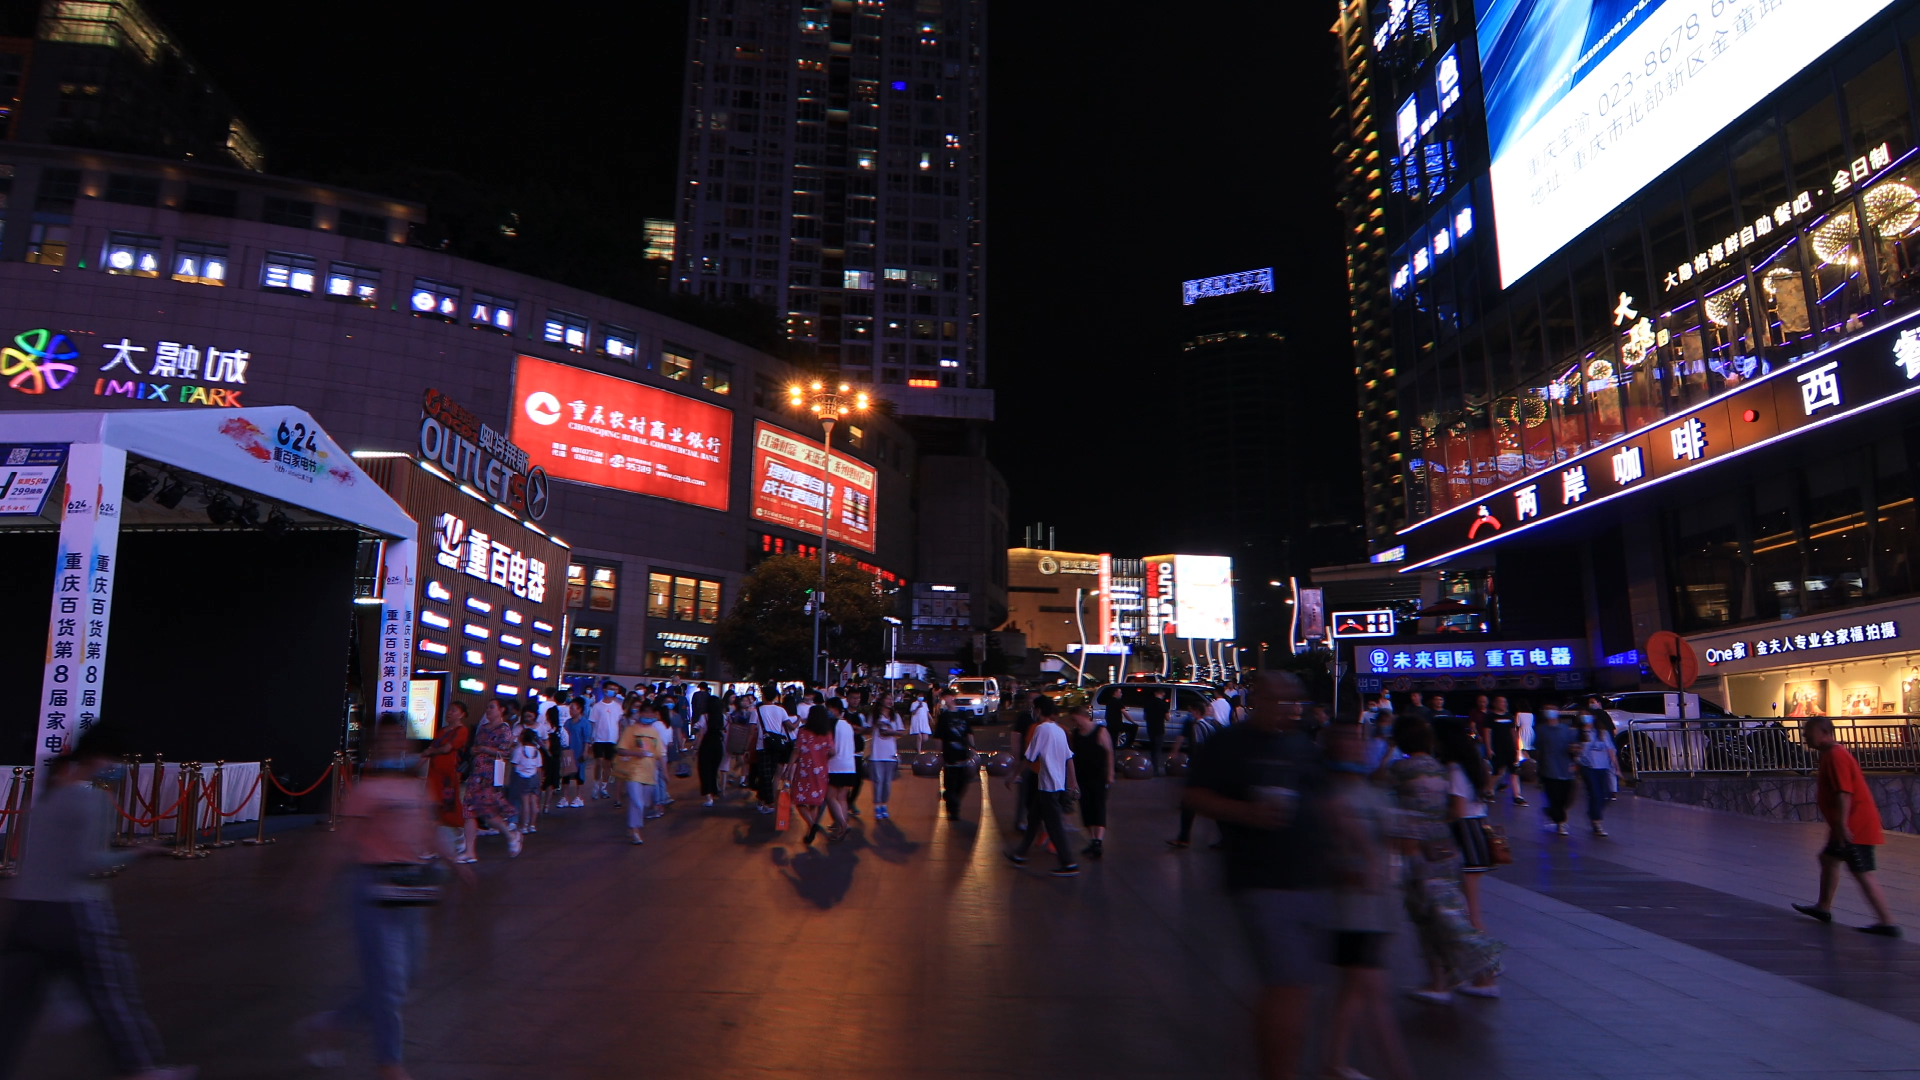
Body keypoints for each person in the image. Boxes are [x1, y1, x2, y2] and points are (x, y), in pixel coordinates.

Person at [0, 721, 197, 1080]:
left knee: (11, 1010)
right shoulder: (89, 800)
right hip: (73, 913)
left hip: (26, 912)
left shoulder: (45, 796)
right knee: (113, 995)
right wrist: (138, 852)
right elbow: (86, 864)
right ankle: (141, 1067)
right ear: (107, 757)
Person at [298, 715, 465, 1080]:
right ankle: (389, 1062)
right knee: (388, 983)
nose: (393, 746)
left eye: (398, 740)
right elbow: (341, 842)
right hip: (371, 890)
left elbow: (429, 833)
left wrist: (455, 863)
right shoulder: (366, 791)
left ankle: (333, 1023)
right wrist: (316, 888)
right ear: (376, 747)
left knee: (407, 976)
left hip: (409, 890)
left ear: (405, 745)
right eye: (386, 740)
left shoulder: (417, 789)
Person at [1183, 671, 1327, 1080]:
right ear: (1257, 700)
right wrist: (1248, 813)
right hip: (1262, 879)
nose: (1289, 709)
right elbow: (1193, 795)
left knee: (1293, 986)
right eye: (1279, 700)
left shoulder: (1303, 746)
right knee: (1289, 985)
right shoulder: (1229, 744)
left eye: (1294, 701)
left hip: (1309, 877)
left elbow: (1322, 800)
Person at [1320, 719, 1414, 1080]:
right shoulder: (1330, 797)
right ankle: (1399, 1072)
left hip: (1376, 910)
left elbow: (1398, 842)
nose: (1356, 745)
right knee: (1373, 996)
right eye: (1346, 739)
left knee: (1354, 992)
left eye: (1358, 739)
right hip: (1352, 912)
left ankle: (1333, 1062)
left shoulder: (1372, 792)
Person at [1388, 715, 1502, 1005]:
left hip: (1423, 851)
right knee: (1450, 912)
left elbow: (1377, 781)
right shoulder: (1443, 770)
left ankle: (1481, 965)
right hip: (1449, 847)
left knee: (1446, 915)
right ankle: (1453, 977)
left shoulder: (1405, 769)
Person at [1793, 716, 1899, 935]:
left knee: (1862, 871)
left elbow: (1844, 792)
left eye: (1808, 732)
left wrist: (1841, 826)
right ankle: (1823, 907)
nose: (1804, 736)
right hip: (1848, 824)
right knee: (1829, 859)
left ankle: (1887, 921)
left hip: (1854, 826)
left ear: (1823, 732)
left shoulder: (1835, 756)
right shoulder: (1829, 755)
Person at [1007, 704, 1079, 876]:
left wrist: (1014, 775)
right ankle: (1020, 854)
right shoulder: (1060, 730)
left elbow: (1030, 756)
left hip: (1048, 785)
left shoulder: (1041, 729)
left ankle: (1068, 863)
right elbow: (1069, 758)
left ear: (1040, 712)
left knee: (1054, 825)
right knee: (1033, 819)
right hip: (1055, 783)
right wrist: (1073, 782)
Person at [461, 699, 524, 861]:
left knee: (487, 811)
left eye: (491, 707)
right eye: (487, 707)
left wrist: (484, 749)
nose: (488, 710)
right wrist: (474, 750)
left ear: (501, 710)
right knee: (469, 811)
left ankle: (510, 834)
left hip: (489, 776)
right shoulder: (482, 728)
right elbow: (474, 747)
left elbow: (505, 752)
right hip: (476, 774)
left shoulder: (504, 729)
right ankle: (469, 851)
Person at [1167, 695, 1223, 849]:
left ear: (1196, 712)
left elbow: (1199, 747)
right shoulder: (1211, 724)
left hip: (1203, 769)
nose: (1190, 714)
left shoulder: (1197, 726)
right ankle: (1185, 837)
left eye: (1191, 711)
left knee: (1189, 803)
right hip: (1212, 767)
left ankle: (1184, 838)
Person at [612, 702, 666, 844]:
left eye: (651, 713)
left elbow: (660, 754)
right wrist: (635, 752)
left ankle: (632, 827)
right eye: (646, 712)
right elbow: (621, 749)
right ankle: (635, 830)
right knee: (637, 802)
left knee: (644, 803)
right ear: (640, 713)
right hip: (633, 771)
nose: (648, 715)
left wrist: (665, 773)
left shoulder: (654, 732)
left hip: (649, 772)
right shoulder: (631, 730)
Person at [1068, 703, 1114, 858]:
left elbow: (1109, 752)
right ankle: (1093, 840)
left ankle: (1098, 841)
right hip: (1082, 776)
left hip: (1098, 776)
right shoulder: (1076, 734)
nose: (1075, 723)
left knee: (1098, 806)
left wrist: (1110, 773)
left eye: (1076, 719)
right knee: (1086, 807)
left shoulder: (1100, 731)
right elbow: (1072, 756)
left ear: (1083, 716)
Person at [790, 706, 836, 844]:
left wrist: (789, 767)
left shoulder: (803, 732)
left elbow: (796, 751)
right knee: (814, 802)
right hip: (821, 771)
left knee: (798, 798)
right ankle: (811, 829)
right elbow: (833, 752)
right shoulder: (827, 733)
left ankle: (812, 825)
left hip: (804, 770)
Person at [1532, 703, 1579, 835]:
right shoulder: (1541, 730)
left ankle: (1553, 811)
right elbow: (1537, 750)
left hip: (1565, 768)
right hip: (1548, 769)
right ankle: (1560, 821)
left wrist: (1574, 750)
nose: (1550, 712)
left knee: (1566, 797)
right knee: (1554, 796)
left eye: (1552, 710)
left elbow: (1574, 746)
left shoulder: (1566, 729)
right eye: (1547, 710)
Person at [932, 689, 976, 819]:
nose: (947, 700)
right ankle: (953, 809)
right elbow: (939, 737)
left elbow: (969, 732)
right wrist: (939, 754)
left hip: (963, 753)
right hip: (949, 754)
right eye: (944, 698)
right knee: (951, 783)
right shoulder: (944, 716)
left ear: (953, 697)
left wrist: (972, 747)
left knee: (962, 783)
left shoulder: (962, 715)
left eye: (948, 697)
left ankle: (952, 799)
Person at [1576, 711, 1620, 836]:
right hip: (1588, 767)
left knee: (1605, 795)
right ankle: (1596, 821)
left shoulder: (1602, 733)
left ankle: (1593, 812)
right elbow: (1579, 751)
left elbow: (1610, 749)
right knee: (1595, 793)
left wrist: (1616, 767)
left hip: (1602, 767)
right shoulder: (1579, 733)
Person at [824, 701, 858, 838]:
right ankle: (841, 823)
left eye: (829, 708)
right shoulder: (848, 725)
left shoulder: (833, 725)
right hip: (850, 765)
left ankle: (843, 824)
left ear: (835, 709)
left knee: (830, 796)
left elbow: (832, 749)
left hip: (836, 766)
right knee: (842, 798)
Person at [1485, 696, 1525, 805]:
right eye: (1501, 702)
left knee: (1514, 772)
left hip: (1510, 749)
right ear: (1495, 703)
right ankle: (1489, 791)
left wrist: (1518, 749)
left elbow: (1514, 733)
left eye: (1505, 702)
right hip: (1498, 749)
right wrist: (1489, 748)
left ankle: (1517, 796)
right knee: (1498, 772)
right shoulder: (1490, 716)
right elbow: (1487, 733)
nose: (1504, 704)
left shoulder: (1509, 716)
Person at [867, 695, 902, 819]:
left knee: (887, 783)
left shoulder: (895, 716)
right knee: (878, 781)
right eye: (887, 698)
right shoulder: (874, 716)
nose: (890, 701)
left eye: (891, 699)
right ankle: (877, 806)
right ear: (881, 701)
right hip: (876, 754)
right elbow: (868, 729)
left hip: (890, 754)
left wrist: (891, 731)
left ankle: (884, 804)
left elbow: (901, 732)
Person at [588, 683, 624, 800]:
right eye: (611, 689)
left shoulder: (618, 707)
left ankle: (604, 787)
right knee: (599, 762)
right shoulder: (597, 706)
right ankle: (595, 786)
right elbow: (592, 723)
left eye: (615, 690)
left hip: (612, 739)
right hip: (599, 739)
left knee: (608, 764)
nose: (613, 691)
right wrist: (590, 739)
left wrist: (620, 737)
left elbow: (619, 722)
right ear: (605, 690)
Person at [695, 689, 728, 808]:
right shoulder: (723, 717)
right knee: (714, 771)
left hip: (707, 744)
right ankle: (714, 792)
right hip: (718, 744)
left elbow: (701, 733)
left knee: (705, 770)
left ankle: (708, 797)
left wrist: (695, 748)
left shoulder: (704, 717)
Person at [508, 728, 544, 835]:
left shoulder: (519, 750)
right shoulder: (537, 752)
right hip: (534, 777)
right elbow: (539, 768)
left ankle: (523, 826)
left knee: (525, 802)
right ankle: (532, 825)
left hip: (522, 778)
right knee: (533, 802)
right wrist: (540, 780)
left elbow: (514, 764)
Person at [1143, 688, 1172, 775]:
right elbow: (1167, 718)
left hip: (1150, 728)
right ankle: (1156, 770)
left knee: (1152, 749)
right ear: (1162, 694)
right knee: (1158, 749)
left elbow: (1145, 717)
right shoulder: (1163, 704)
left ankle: (1151, 767)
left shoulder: (1148, 703)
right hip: (1159, 728)